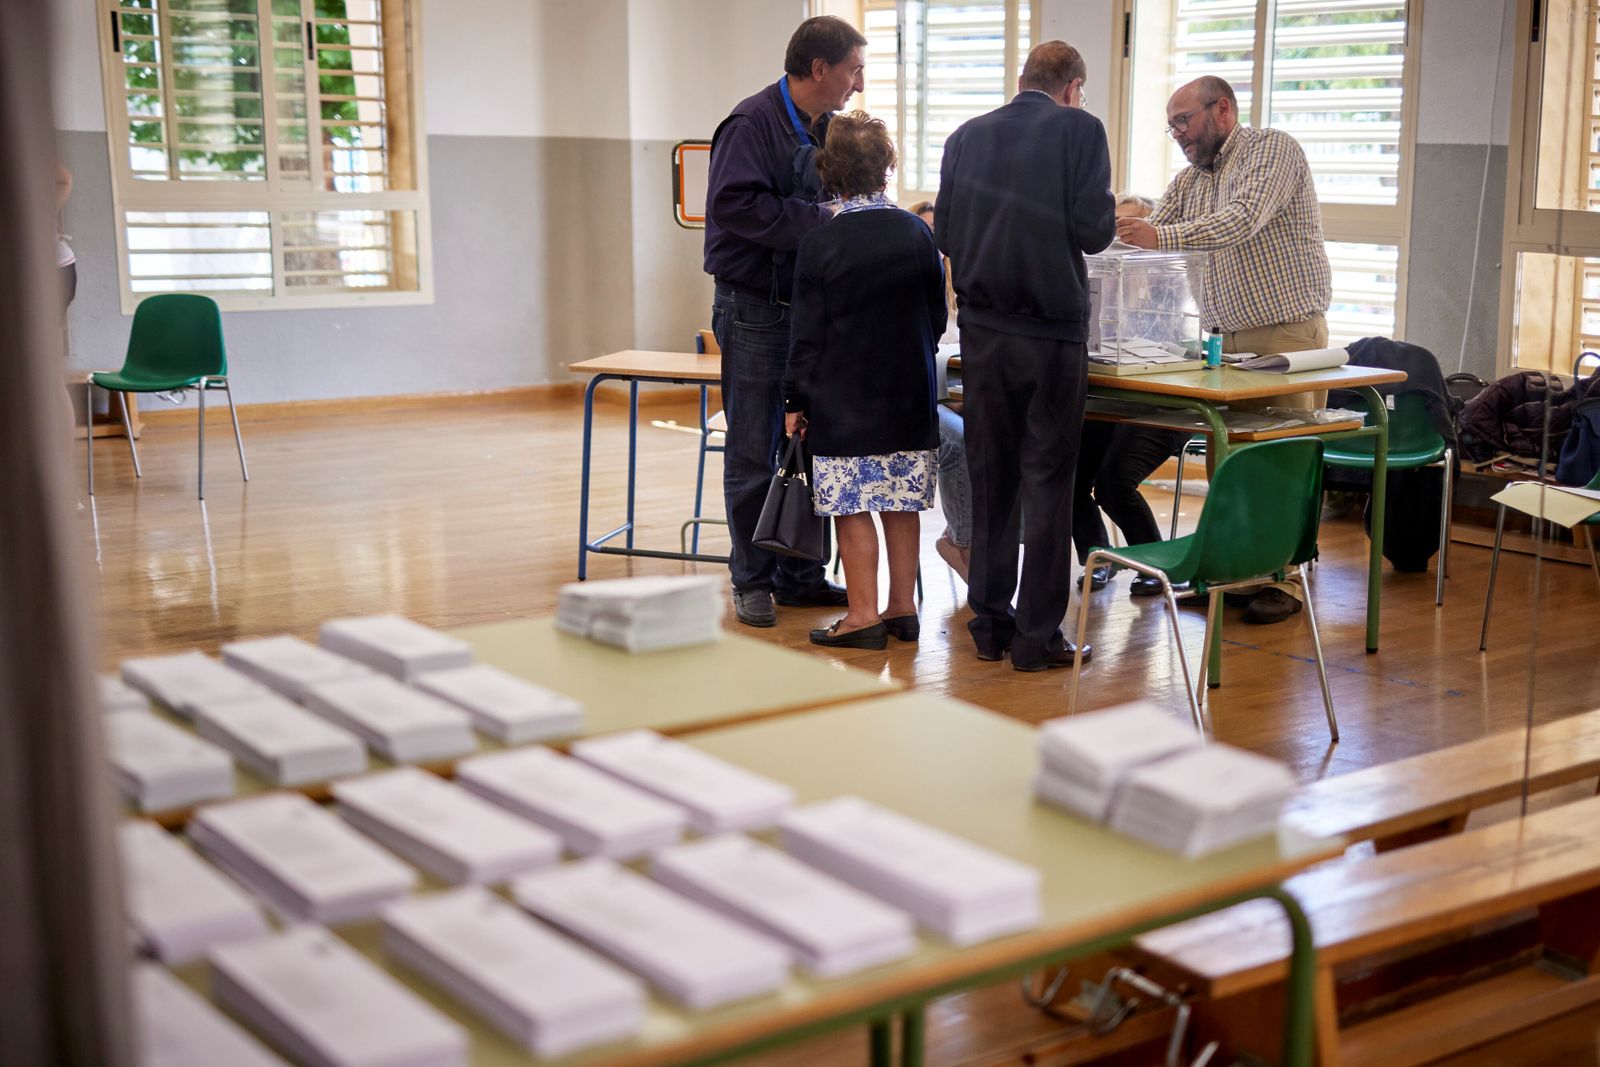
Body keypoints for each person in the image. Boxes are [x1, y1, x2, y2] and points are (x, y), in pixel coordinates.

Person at [1115, 75, 1332, 624]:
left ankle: (1285, 583)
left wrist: (1158, 236)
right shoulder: (1191, 178)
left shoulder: (1271, 150)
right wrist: (1110, 234)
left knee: (1283, 458)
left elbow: (1240, 221)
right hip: (1221, 342)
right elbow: (1155, 228)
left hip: (1284, 335)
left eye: (1184, 121)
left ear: (1224, 110)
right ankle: (1237, 574)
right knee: (1228, 459)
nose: (1179, 135)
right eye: (1171, 128)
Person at [934, 41, 1116, 671]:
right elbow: (1095, 231)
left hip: (984, 333)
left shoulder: (966, 135)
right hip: (1051, 334)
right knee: (1047, 484)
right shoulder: (1080, 130)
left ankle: (989, 622)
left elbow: (946, 234)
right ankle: (1038, 639)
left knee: (993, 479)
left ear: (1022, 82)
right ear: (1073, 87)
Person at [703, 15, 867, 629]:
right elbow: (733, 205)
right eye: (852, 69)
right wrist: (822, 220)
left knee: (812, 445)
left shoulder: (826, 128)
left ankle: (800, 573)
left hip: (808, 309)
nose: (858, 82)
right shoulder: (752, 123)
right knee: (754, 450)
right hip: (755, 310)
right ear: (819, 69)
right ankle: (751, 580)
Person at [783, 113, 947, 649]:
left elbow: (806, 335)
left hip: (843, 397)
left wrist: (794, 399)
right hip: (909, 392)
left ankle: (861, 617)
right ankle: (903, 610)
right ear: (886, 166)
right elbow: (937, 316)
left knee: (852, 505)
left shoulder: (821, 242)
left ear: (829, 170)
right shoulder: (918, 233)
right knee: (900, 504)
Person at [1071, 193, 1190, 596]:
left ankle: (1156, 564)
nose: (1119, 242)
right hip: (1108, 399)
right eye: (1114, 229)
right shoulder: (1094, 283)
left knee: (1112, 483)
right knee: (1067, 481)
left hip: (1159, 402)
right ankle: (1099, 557)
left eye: (1128, 230)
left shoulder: (1170, 288)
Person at [911, 199, 970, 581]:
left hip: (969, 395)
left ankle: (993, 549)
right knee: (961, 442)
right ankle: (964, 545)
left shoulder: (963, 283)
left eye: (938, 231)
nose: (933, 241)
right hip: (928, 400)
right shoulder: (910, 280)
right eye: (924, 232)